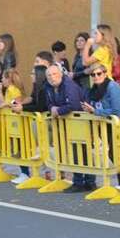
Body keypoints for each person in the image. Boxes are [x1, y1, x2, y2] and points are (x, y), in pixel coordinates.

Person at [81, 63, 120, 189]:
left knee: (116, 152)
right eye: (93, 75)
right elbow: (96, 105)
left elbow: (116, 110)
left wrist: (95, 111)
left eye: (99, 73)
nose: (96, 77)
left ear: (105, 74)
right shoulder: (94, 89)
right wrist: (89, 109)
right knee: (113, 153)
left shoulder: (112, 86)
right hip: (108, 123)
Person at [42, 64, 93, 193]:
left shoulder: (69, 85)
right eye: (49, 75)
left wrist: (58, 111)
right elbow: (48, 103)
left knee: (81, 151)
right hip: (68, 124)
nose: (52, 77)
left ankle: (85, 182)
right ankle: (83, 182)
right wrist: (52, 108)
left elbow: (74, 105)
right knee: (75, 151)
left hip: (80, 121)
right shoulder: (48, 87)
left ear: (61, 74)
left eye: (54, 74)